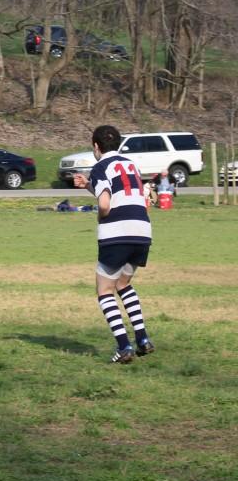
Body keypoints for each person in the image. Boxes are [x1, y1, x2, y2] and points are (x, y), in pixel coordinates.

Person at [72, 125, 155, 364]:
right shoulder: (130, 165)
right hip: (142, 231)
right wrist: (88, 184)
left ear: (96, 146)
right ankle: (143, 339)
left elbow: (106, 203)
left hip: (117, 232)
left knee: (104, 290)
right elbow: (123, 192)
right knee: (123, 284)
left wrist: (100, 216)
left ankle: (124, 347)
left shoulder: (100, 166)